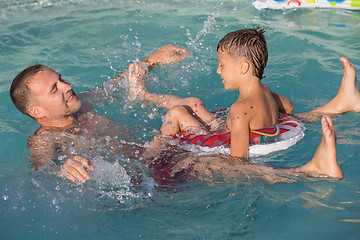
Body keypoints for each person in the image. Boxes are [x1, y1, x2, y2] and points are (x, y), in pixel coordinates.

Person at [10, 43, 347, 184]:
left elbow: (120, 84)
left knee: (194, 108)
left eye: (61, 79)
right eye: (55, 89)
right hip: (146, 176)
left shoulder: (82, 103)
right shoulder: (45, 139)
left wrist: (152, 59)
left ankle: (329, 109)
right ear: (37, 111)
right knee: (216, 163)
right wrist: (63, 168)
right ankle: (309, 172)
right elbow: (42, 170)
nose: (67, 86)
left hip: (161, 151)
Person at [129, 27, 295, 159]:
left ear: (243, 67)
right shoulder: (267, 93)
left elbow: (237, 160)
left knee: (176, 113)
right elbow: (289, 108)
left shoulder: (240, 109)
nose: (218, 70)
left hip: (219, 139)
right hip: (223, 129)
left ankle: (148, 158)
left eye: (222, 65)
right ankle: (141, 94)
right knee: (194, 103)